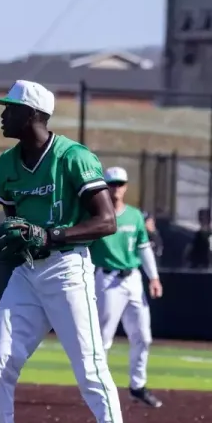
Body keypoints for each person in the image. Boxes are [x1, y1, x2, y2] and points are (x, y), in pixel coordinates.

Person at [0, 79, 132, 423]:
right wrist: (12, 239)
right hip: (27, 275)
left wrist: (50, 236)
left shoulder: (73, 157)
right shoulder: (6, 164)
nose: (2, 113)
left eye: (9, 108)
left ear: (32, 114)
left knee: (90, 368)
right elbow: (13, 222)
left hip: (67, 270)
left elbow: (106, 222)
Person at [90, 166, 165, 408]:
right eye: (111, 184)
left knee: (143, 335)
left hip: (132, 279)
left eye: (120, 183)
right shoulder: (96, 215)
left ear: (126, 186)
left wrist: (153, 277)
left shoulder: (134, 216)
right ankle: (96, 387)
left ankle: (137, 386)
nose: (116, 188)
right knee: (102, 339)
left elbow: (143, 248)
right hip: (107, 279)